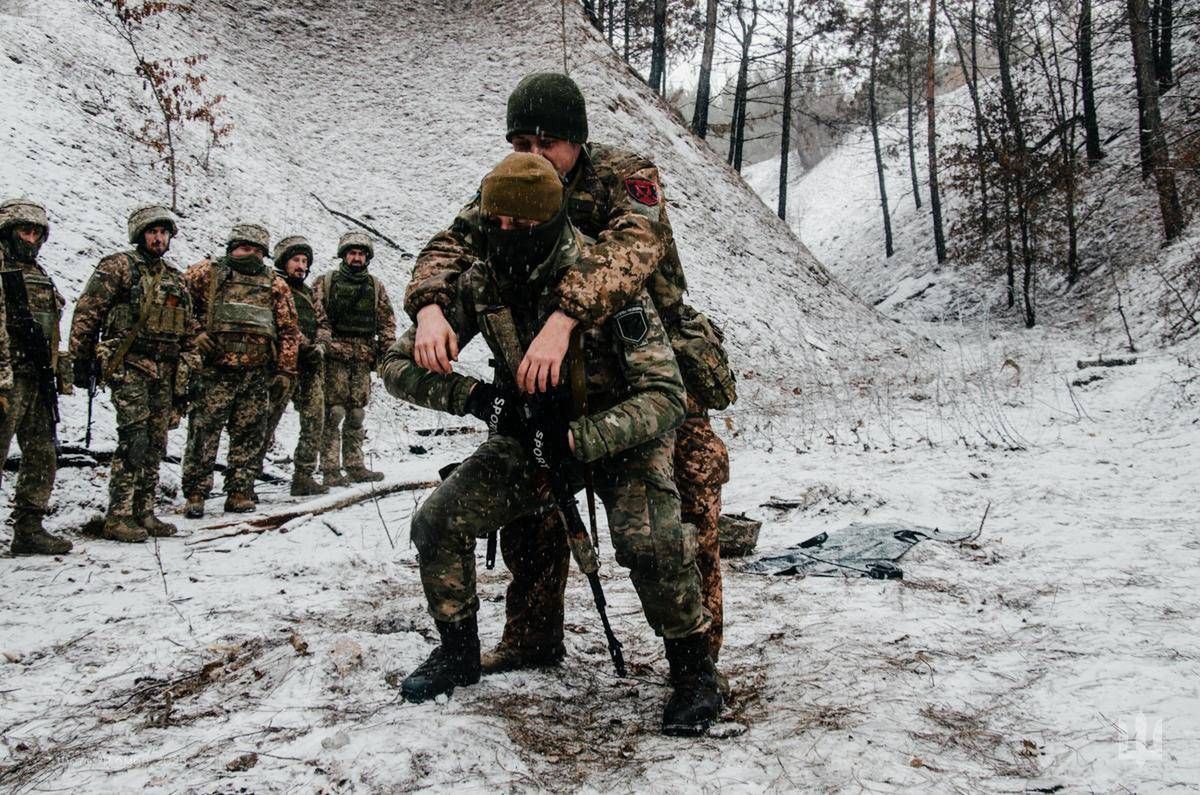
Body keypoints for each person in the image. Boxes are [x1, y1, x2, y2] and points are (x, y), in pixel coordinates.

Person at [404, 73, 736, 673]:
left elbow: (632, 253)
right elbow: (451, 244)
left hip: (643, 362)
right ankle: (532, 638)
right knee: (530, 523)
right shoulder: (512, 192)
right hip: (551, 378)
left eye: (545, 144)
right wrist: (429, 305)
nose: (533, 157)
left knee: (677, 522)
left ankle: (696, 663)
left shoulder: (624, 175)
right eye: (519, 144)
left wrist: (563, 317)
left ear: (577, 141)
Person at [69, 205, 195, 541]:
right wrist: (81, 360)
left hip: (166, 370)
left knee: (156, 442)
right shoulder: (119, 267)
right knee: (134, 439)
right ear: (140, 234)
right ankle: (119, 515)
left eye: (164, 233)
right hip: (130, 366)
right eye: (153, 232)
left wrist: (189, 366)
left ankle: (145, 511)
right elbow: (88, 311)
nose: (158, 238)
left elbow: (188, 329)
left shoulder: (176, 278)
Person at [180, 223, 300, 518]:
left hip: (256, 374)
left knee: (249, 435)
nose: (252, 256)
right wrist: (194, 333)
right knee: (203, 433)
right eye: (246, 249)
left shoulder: (275, 284)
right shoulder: (205, 274)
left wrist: (285, 370)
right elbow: (176, 306)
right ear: (232, 248)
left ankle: (239, 491)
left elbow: (288, 330)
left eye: (258, 251)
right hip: (214, 373)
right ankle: (196, 493)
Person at [0, 198, 72, 555]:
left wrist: (59, 367)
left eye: (35, 232)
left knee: (43, 455)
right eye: (23, 231)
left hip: (37, 379)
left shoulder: (40, 274)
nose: (29, 238)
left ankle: (29, 528)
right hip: (6, 378)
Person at [312, 232, 396, 485]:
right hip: (334, 357)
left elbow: (386, 323)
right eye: (352, 253)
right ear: (344, 255)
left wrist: (387, 356)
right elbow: (318, 318)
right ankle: (329, 469)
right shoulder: (325, 282)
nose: (356, 258)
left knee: (357, 414)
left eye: (361, 254)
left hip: (362, 357)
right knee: (333, 413)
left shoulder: (375, 286)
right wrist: (325, 344)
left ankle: (355, 465)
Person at [255, 235, 333, 496]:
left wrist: (319, 346)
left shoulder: (310, 294)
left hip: (309, 368)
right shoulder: (272, 287)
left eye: (304, 261)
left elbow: (323, 324)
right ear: (283, 262)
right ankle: (246, 475)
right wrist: (302, 344)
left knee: (314, 419)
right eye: (295, 260)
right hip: (279, 367)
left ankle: (303, 476)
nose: (301, 266)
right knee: (265, 421)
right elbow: (274, 325)